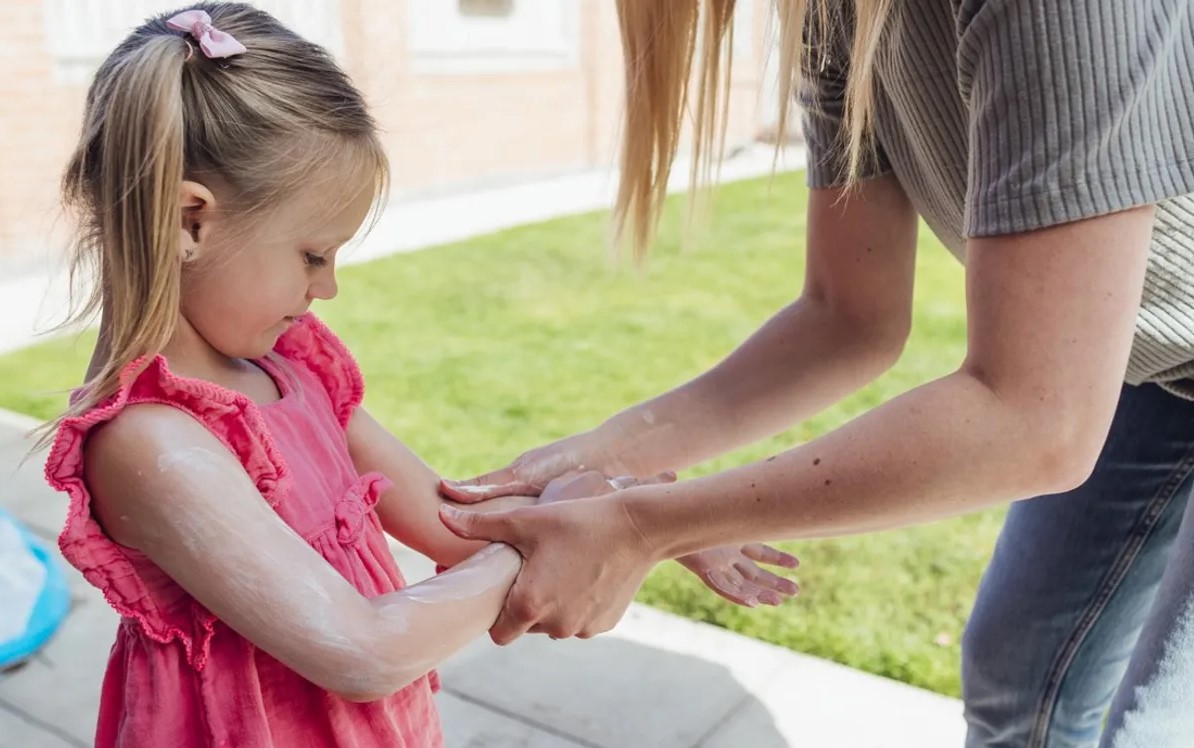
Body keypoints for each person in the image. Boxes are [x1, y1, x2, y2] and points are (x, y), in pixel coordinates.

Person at [37, 5, 798, 746]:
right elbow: (363, 650)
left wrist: (636, 518)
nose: (328, 286)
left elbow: (454, 523)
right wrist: (589, 524)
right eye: (312, 255)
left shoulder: (294, 374)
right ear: (189, 221)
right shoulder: (152, 444)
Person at [439, 1, 1194, 746]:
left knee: (1152, 722)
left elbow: (1035, 420)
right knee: (1018, 679)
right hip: (1132, 359)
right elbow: (847, 317)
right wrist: (605, 456)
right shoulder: (834, 15)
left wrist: (643, 528)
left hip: (1097, 371)